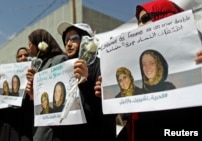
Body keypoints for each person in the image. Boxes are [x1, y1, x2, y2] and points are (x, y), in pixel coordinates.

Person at [94, 1, 202, 141]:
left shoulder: (197, 54)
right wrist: (106, 96)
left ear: (168, 18)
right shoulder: (140, 88)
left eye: (145, 19)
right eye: (138, 22)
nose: (140, 26)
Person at [34, 21, 116, 141]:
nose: (68, 44)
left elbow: (106, 111)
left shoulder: (101, 65)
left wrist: (86, 83)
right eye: (66, 40)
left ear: (86, 41)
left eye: (74, 39)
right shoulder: (61, 69)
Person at [20, 28, 68, 141]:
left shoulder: (59, 60)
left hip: (53, 127)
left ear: (39, 44)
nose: (28, 47)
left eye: (30, 44)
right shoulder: (37, 64)